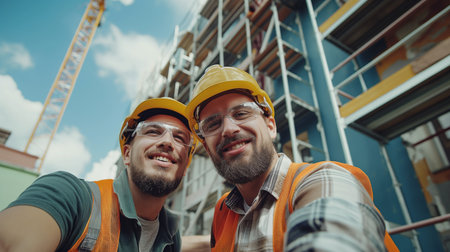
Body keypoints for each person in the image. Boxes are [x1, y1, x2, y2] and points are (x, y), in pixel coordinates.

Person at [185, 65, 399, 251]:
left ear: (270, 126)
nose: (229, 129)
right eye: (212, 124)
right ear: (206, 145)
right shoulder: (223, 211)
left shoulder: (323, 179)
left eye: (241, 113)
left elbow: (335, 231)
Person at [0, 97, 198, 251]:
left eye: (180, 138)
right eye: (153, 132)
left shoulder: (171, 237)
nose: (168, 142)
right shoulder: (71, 196)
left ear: (185, 165)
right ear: (127, 154)